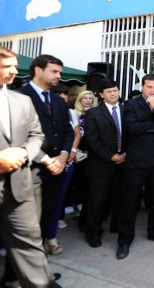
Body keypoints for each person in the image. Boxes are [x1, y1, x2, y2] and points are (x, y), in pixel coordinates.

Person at [0, 47, 62, 288]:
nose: (15, 70)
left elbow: (36, 135)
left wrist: (24, 153)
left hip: (18, 188)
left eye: (16, 65)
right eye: (8, 66)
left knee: (30, 243)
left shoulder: (21, 100)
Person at [116, 73, 154, 260]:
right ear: (142, 86)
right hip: (138, 160)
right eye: (149, 87)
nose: (152, 90)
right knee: (130, 201)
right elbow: (132, 127)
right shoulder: (131, 104)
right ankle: (125, 240)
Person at [19, 55, 74, 256]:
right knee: (27, 228)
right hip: (30, 172)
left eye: (60, 72)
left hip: (55, 171)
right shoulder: (19, 97)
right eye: (54, 71)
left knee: (46, 219)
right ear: (38, 70)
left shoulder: (58, 102)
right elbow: (18, 136)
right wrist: (46, 159)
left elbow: (68, 131)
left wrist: (63, 156)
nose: (59, 76)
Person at [83, 79, 126, 248]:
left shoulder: (125, 109)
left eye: (115, 90)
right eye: (109, 91)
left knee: (119, 199)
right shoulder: (93, 113)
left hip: (123, 163)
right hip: (100, 164)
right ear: (101, 95)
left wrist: (125, 153)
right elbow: (91, 140)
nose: (113, 93)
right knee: (97, 202)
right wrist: (111, 156)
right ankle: (93, 232)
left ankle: (115, 226)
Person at [64, 90, 96, 233]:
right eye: (85, 98)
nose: (88, 100)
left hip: (90, 151)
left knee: (85, 178)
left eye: (90, 98)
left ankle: (81, 202)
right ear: (80, 100)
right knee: (72, 178)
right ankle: (69, 202)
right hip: (75, 150)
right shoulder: (73, 113)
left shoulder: (96, 113)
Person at [49, 85, 81, 231]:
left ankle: (58, 218)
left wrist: (72, 151)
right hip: (48, 160)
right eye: (58, 93)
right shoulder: (45, 110)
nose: (62, 96)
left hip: (67, 159)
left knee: (62, 191)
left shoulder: (71, 112)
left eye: (64, 94)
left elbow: (76, 134)